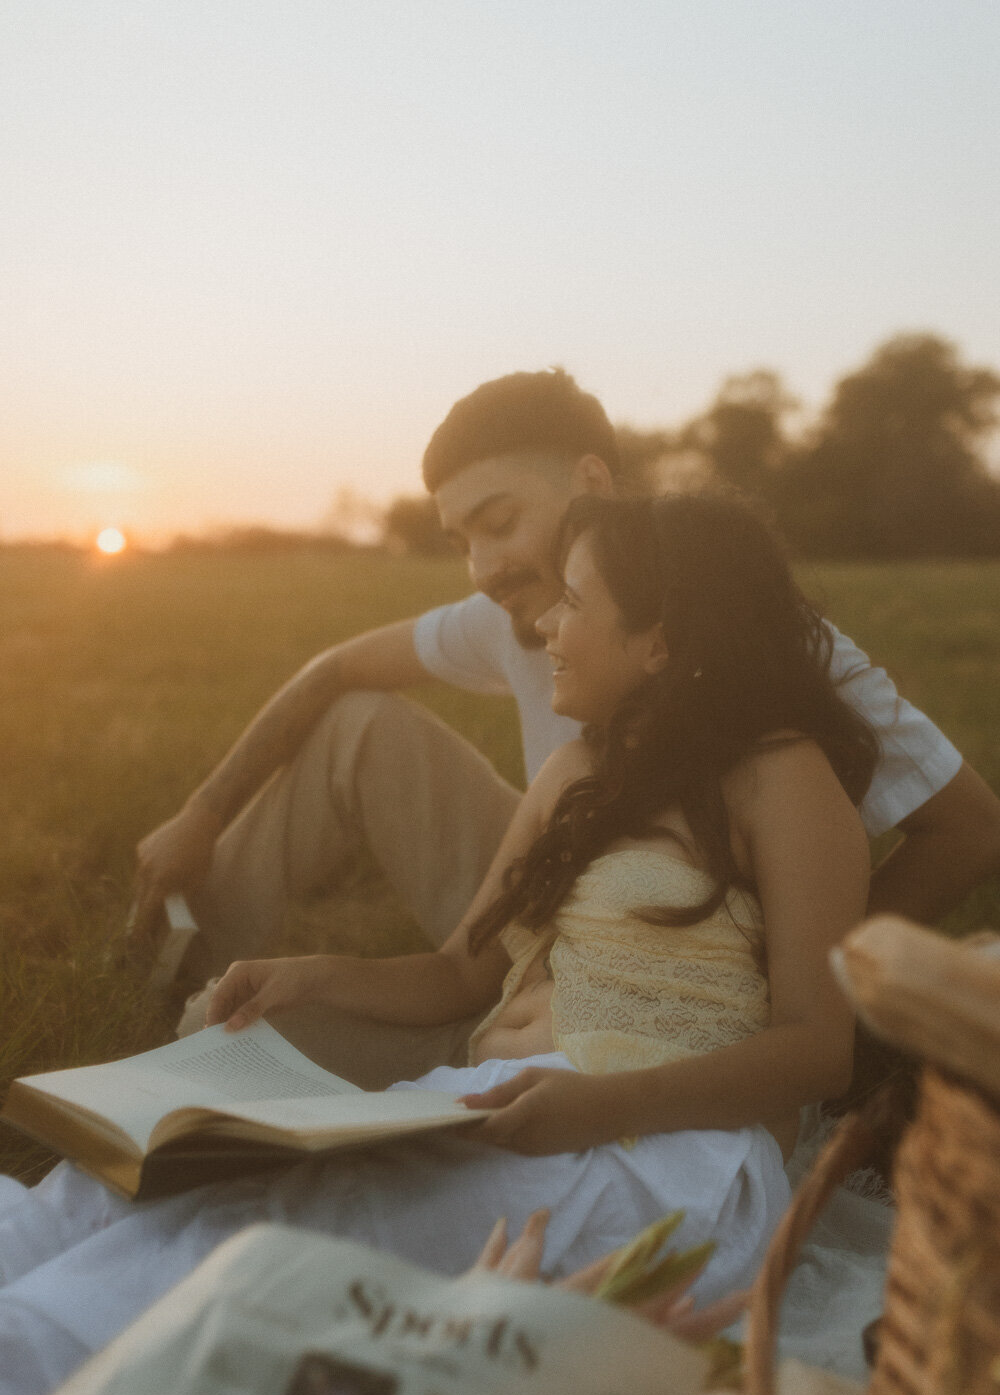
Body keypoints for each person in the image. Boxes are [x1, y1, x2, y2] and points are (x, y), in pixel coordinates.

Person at [0, 491, 871, 1395]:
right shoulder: (580, 772)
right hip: (502, 1100)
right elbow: (459, 974)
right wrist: (312, 972)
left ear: (659, 642)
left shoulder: (782, 777)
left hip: (669, 1150)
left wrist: (602, 1105)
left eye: (574, 602)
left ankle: (35, 1387)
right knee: (135, 1180)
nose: (545, 623)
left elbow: (819, 1048)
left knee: (274, 1240)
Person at [134, 371, 1000, 1087]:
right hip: (537, 894)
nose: (484, 568)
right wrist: (202, 815)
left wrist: (770, 979)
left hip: (686, 948)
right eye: (460, 540)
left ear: (590, 483)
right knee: (357, 726)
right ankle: (183, 960)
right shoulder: (514, 618)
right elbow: (333, 670)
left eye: (501, 523)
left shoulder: (755, 642)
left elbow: (970, 828)